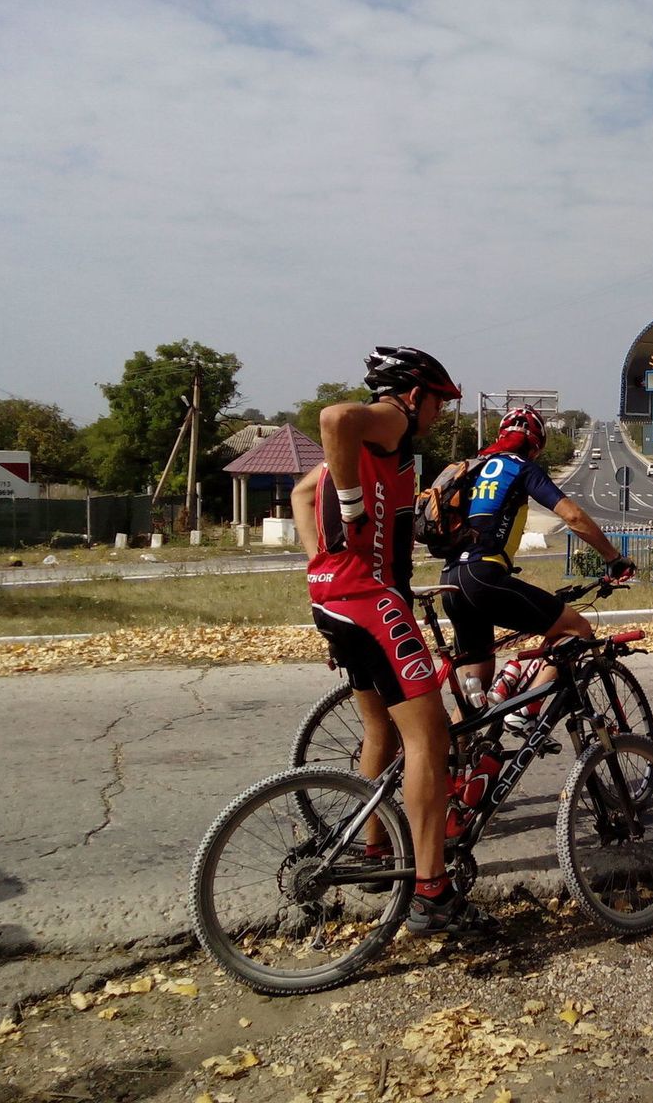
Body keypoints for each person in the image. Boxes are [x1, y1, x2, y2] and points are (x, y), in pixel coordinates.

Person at [291, 345, 490, 937]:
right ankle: (432, 894)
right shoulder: (391, 421)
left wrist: (323, 564)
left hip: (334, 598)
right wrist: (352, 507)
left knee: (381, 730)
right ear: (414, 394)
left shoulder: (361, 453)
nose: (438, 413)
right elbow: (335, 418)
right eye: (438, 402)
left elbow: (301, 494)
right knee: (430, 738)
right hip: (367, 600)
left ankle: (377, 854)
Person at [440, 405, 634, 733]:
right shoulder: (520, 467)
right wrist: (614, 558)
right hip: (483, 576)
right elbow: (572, 516)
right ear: (535, 446)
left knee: (474, 699)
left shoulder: (470, 468)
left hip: (450, 581)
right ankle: (525, 708)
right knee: (577, 630)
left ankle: (454, 761)